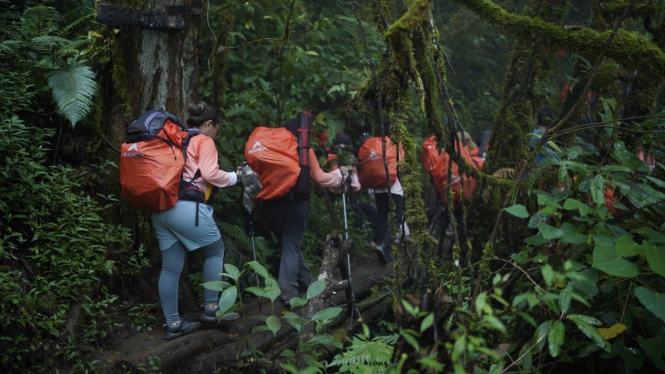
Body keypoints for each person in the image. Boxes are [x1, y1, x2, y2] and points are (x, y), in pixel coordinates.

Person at [151, 102, 242, 340]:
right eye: (217, 129)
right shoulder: (204, 141)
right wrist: (236, 177)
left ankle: (172, 324)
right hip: (186, 208)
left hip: (160, 208)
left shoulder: (174, 137)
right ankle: (211, 309)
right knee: (215, 251)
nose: (216, 134)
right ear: (209, 124)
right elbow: (210, 174)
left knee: (170, 268)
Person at [261, 114, 350, 304]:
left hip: (269, 204)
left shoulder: (269, 147)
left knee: (289, 246)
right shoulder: (302, 149)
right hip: (295, 204)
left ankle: (308, 282)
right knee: (291, 247)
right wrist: (339, 175)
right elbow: (321, 178)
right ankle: (288, 294)